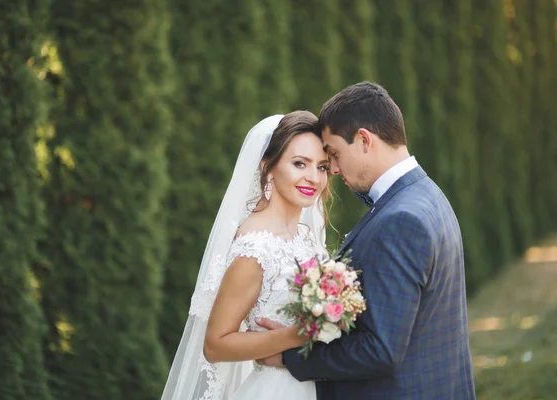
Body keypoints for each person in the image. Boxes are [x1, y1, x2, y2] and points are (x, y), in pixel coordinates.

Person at [256, 82, 476, 399]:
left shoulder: (400, 220)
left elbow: (381, 349)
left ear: (363, 140)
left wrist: (289, 356)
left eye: (333, 153)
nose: (331, 169)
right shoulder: (425, 195)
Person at [161, 111, 330, 400]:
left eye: (322, 167)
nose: (313, 178)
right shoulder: (255, 246)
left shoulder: (307, 239)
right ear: (269, 167)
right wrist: (295, 336)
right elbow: (215, 345)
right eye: (300, 163)